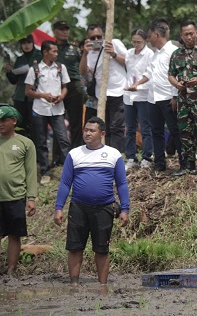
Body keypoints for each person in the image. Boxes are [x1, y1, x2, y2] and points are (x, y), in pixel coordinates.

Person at [54, 116, 130, 286]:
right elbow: (65, 183)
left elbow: (122, 184)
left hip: (104, 208)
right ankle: (74, 284)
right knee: (75, 247)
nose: (87, 133)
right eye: (85, 130)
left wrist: (125, 209)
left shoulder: (113, 154)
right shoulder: (75, 154)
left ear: (102, 133)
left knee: (102, 249)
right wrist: (58, 208)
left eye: (92, 130)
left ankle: (102, 286)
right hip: (78, 207)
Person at [130, 19, 183, 173]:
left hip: (168, 97)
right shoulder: (155, 54)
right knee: (156, 131)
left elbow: (178, 75)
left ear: (157, 34)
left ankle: (184, 163)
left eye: (150, 36)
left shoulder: (173, 51)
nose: (148, 40)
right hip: (153, 98)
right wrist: (137, 84)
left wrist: (175, 96)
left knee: (175, 131)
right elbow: (149, 74)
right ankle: (159, 163)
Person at [24, 40, 71, 183]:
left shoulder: (60, 67)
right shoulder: (35, 69)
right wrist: (43, 95)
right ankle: (45, 171)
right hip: (40, 109)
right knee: (41, 141)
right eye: (54, 51)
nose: (57, 54)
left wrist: (61, 96)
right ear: (45, 52)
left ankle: (70, 171)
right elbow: (28, 91)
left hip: (57, 109)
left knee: (63, 140)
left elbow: (65, 87)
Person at [168, 21, 197, 176]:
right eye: (186, 34)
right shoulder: (176, 54)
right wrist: (176, 84)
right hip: (183, 99)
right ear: (181, 36)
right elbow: (170, 74)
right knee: (185, 132)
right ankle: (189, 165)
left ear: (196, 33)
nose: (189, 36)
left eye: (192, 33)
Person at [0, 106, 37, 277]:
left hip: (15, 196)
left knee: (15, 235)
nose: (0, 124)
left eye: (4, 120)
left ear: (13, 121)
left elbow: (31, 172)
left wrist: (31, 198)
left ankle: (10, 270)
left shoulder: (25, 143)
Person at [79, 24, 127, 151]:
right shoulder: (88, 53)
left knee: (117, 126)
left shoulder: (114, 43)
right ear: (87, 39)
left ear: (103, 35)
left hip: (118, 91)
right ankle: (105, 154)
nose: (96, 41)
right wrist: (84, 53)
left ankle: (118, 155)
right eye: (93, 38)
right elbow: (84, 72)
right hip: (101, 95)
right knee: (104, 127)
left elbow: (129, 62)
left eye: (99, 37)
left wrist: (114, 54)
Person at [122, 29, 153, 171]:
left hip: (143, 95)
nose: (136, 44)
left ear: (145, 41)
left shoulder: (149, 54)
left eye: (139, 42)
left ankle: (146, 157)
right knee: (129, 128)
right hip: (129, 95)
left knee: (145, 128)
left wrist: (138, 85)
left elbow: (149, 74)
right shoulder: (129, 53)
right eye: (134, 41)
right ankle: (131, 157)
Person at [53, 21, 85, 150]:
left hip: (73, 86)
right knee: (56, 120)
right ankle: (58, 155)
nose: (65, 31)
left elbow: (84, 64)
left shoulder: (74, 48)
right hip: (55, 86)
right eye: (61, 29)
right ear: (55, 31)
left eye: (67, 29)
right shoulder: (50, 47)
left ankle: (76, 151)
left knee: (75, 121)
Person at [4, 35, 41, 138]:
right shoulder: (20, 59)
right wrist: (9, 71)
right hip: (20, 96)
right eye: (23, 43)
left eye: (28, 42)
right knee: (19, 125)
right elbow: (14, 80)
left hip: (34, 95)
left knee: (35, 126)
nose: (26, 45)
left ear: (32, 43)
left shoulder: (40, 56)